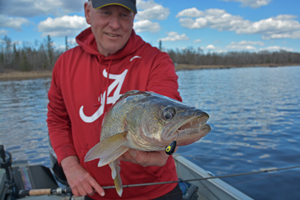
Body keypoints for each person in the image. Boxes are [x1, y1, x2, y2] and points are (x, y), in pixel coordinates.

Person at [47, 0, 183, 199]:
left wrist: (169, 148)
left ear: (134, 18)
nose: (115, 24)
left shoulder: (156, 61)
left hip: (158, 192)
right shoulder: (65, 64)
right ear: (87, 12)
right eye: (106, 12)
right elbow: (57, 120)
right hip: (94, 192)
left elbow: (171, 118)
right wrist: (69, 165)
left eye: (124, 15)